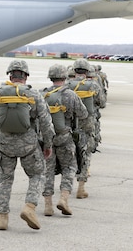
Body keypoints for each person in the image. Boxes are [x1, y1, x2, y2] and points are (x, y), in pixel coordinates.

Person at [0, 59, 55, 230]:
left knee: (5, 179)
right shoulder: (34, 95)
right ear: (26, 76)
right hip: (28, 145)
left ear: (10, 75)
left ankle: (3, 217)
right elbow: (46, 123)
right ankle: (29, 207)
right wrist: (48, 145)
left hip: (5, 145)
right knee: (37, 175)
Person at [41, 64, 88, 216]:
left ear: (50, 77)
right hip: (65, 137)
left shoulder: (43, 95)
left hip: (47, 138)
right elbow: (83, 114)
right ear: (65, 77)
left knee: (48, 171)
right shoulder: (70, 95)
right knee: (69, 167)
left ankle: (48, 205)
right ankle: (63, 199)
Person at [67, 58, 103, 199]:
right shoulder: (93, 85)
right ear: (87, 71)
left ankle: (66, 186)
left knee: (69, 153)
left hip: (70, 123)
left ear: (74, 71)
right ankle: (81, 187)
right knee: (86, 151)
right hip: (87, 123)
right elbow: (101, 102)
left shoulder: (67, 85)